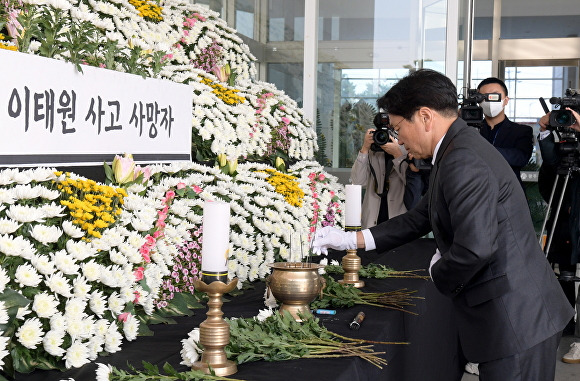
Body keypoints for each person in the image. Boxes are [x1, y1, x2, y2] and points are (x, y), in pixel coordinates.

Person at [313, 69, 575, 381]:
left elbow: (475, 249)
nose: (398, 139)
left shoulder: (463, 159)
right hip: (513, 312)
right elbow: (419, 217)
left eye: (399, 128)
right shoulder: (452, 149)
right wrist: (350, 240)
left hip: (516, 318)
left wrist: (437, 270)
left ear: (424, 117)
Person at [538, 108, 580, 364]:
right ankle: (563, 323)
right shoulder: (564, 144)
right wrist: (544, 131)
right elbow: (551, 168)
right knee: (561, 269)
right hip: (563, 217)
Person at [476, 77, 534, 190]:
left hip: (508, 194)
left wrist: (481, 150)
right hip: (476, 192)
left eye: (495, 96)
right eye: (484, 97)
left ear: (506, 100)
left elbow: (520, 158)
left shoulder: (521, 131)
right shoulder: (470, 130)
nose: (490, 101)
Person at [350, 126, 409, 229]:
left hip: (399, 218)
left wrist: (397, 154)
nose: (385, 137)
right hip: (372, 220)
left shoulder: (409, 149)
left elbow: (411, 181)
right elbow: (358, 181)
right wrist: (365, 148)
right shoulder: (374, 150)